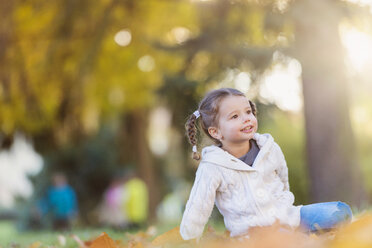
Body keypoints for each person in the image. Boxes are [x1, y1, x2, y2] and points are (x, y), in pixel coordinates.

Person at [180, 88, 352, 240]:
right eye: (234, 116)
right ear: (215, 132)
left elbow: (283, 180)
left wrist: (285, 204)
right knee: (282, 240)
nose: (246, 119)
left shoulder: (268, 148)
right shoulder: (212, 166)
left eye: (248, 112)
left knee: (339, 211)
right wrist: (188, 238)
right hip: (254, 233)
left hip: (289, 216)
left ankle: (299, 234)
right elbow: (198, 206)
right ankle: (296, 238)